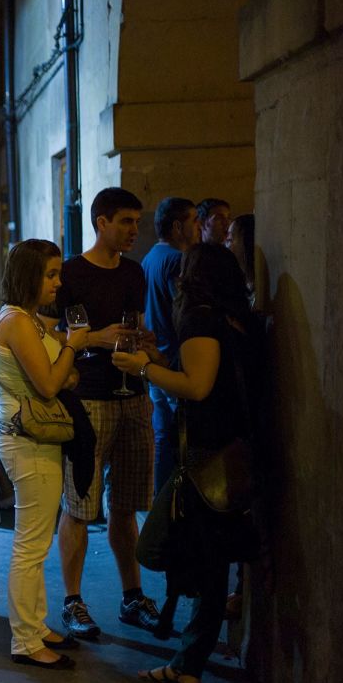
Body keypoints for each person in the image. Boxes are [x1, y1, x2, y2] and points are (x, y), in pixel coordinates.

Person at [112, 242, 259, 683]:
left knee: (186, 555)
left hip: (206, 454)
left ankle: (189, 662)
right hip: (235, 448)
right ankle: (194, 650)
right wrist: (159, 359)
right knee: (206, 557)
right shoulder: (236, 317)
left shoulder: (200, 317)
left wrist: (142, 368)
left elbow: (196, 387)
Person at [43, 187, 160, 639]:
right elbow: (49, 330)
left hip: (133, 396)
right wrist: (93, 338)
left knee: (126, 506)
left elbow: (135, 325)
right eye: (126, 221)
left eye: (136, 221)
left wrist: (143, 342)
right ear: (101, 222)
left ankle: (132, 598)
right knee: (78, 506)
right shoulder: (69, 274)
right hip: (88, 398)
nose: (135, 230)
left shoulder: (133, 273)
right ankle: (73, 603)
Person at [0, 240, 90, 669]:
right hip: (26, 441)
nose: (58, 283)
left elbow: (60, 377)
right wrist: (73, 344)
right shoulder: (17, 322)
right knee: (30, 545)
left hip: (35, 440)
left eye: (58, 274)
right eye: (50, 275)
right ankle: (26, 641)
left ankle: (37, 624)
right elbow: (51, 384)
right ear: (30, 275)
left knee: (37, 540)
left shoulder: (26, 319)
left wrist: (62, 360)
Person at [142, 197, 198, 494]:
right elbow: (182, 310)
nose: (198, 227)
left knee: (163, 435)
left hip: (156, 356)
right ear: (178, 227)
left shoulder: (150, 258)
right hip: (172, 359)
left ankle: (161, 503)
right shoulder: (176, 260)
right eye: (194, 221)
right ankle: (170, 502)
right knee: (175, 438)